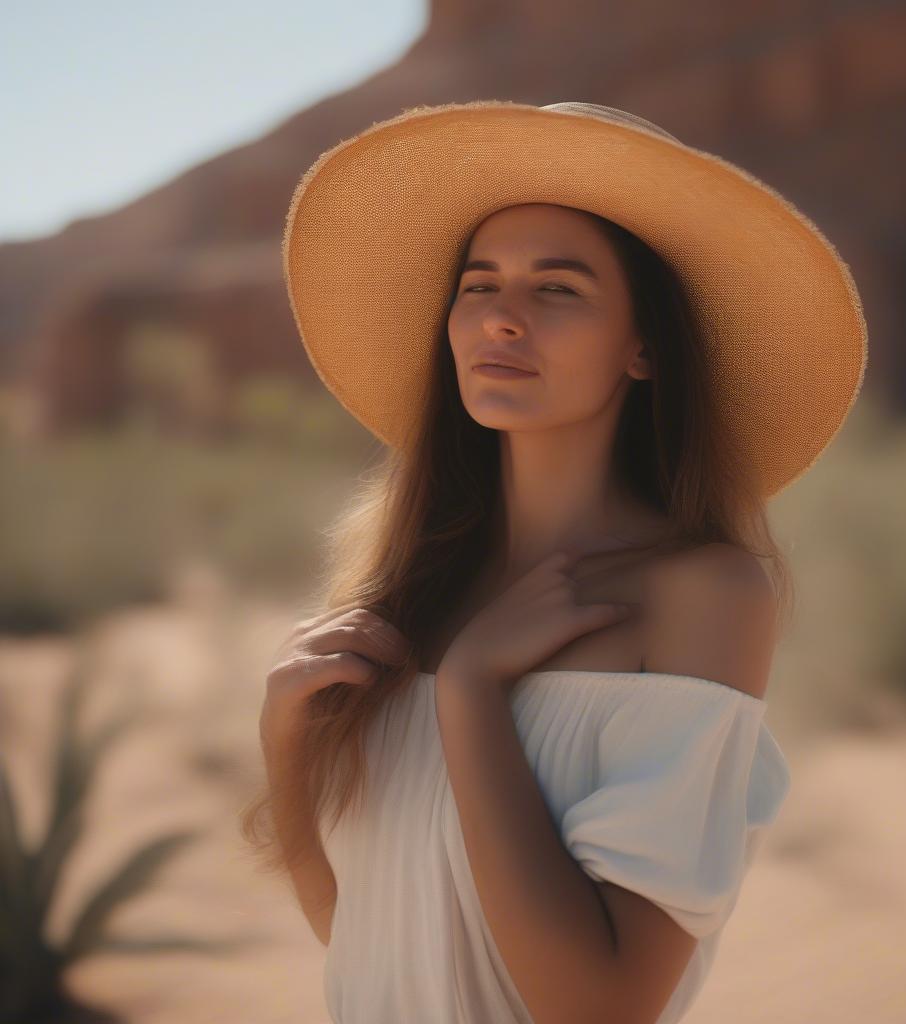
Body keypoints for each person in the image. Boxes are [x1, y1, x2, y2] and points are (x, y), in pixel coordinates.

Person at [241, 100, 867, 1023]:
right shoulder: (416, 587)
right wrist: (285, 750)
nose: (501, 319)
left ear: (644, 346)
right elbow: (366, 931)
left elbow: (599, 1007)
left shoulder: (703, 594)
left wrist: (472, 691)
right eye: (479, 284)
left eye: (559, 289)